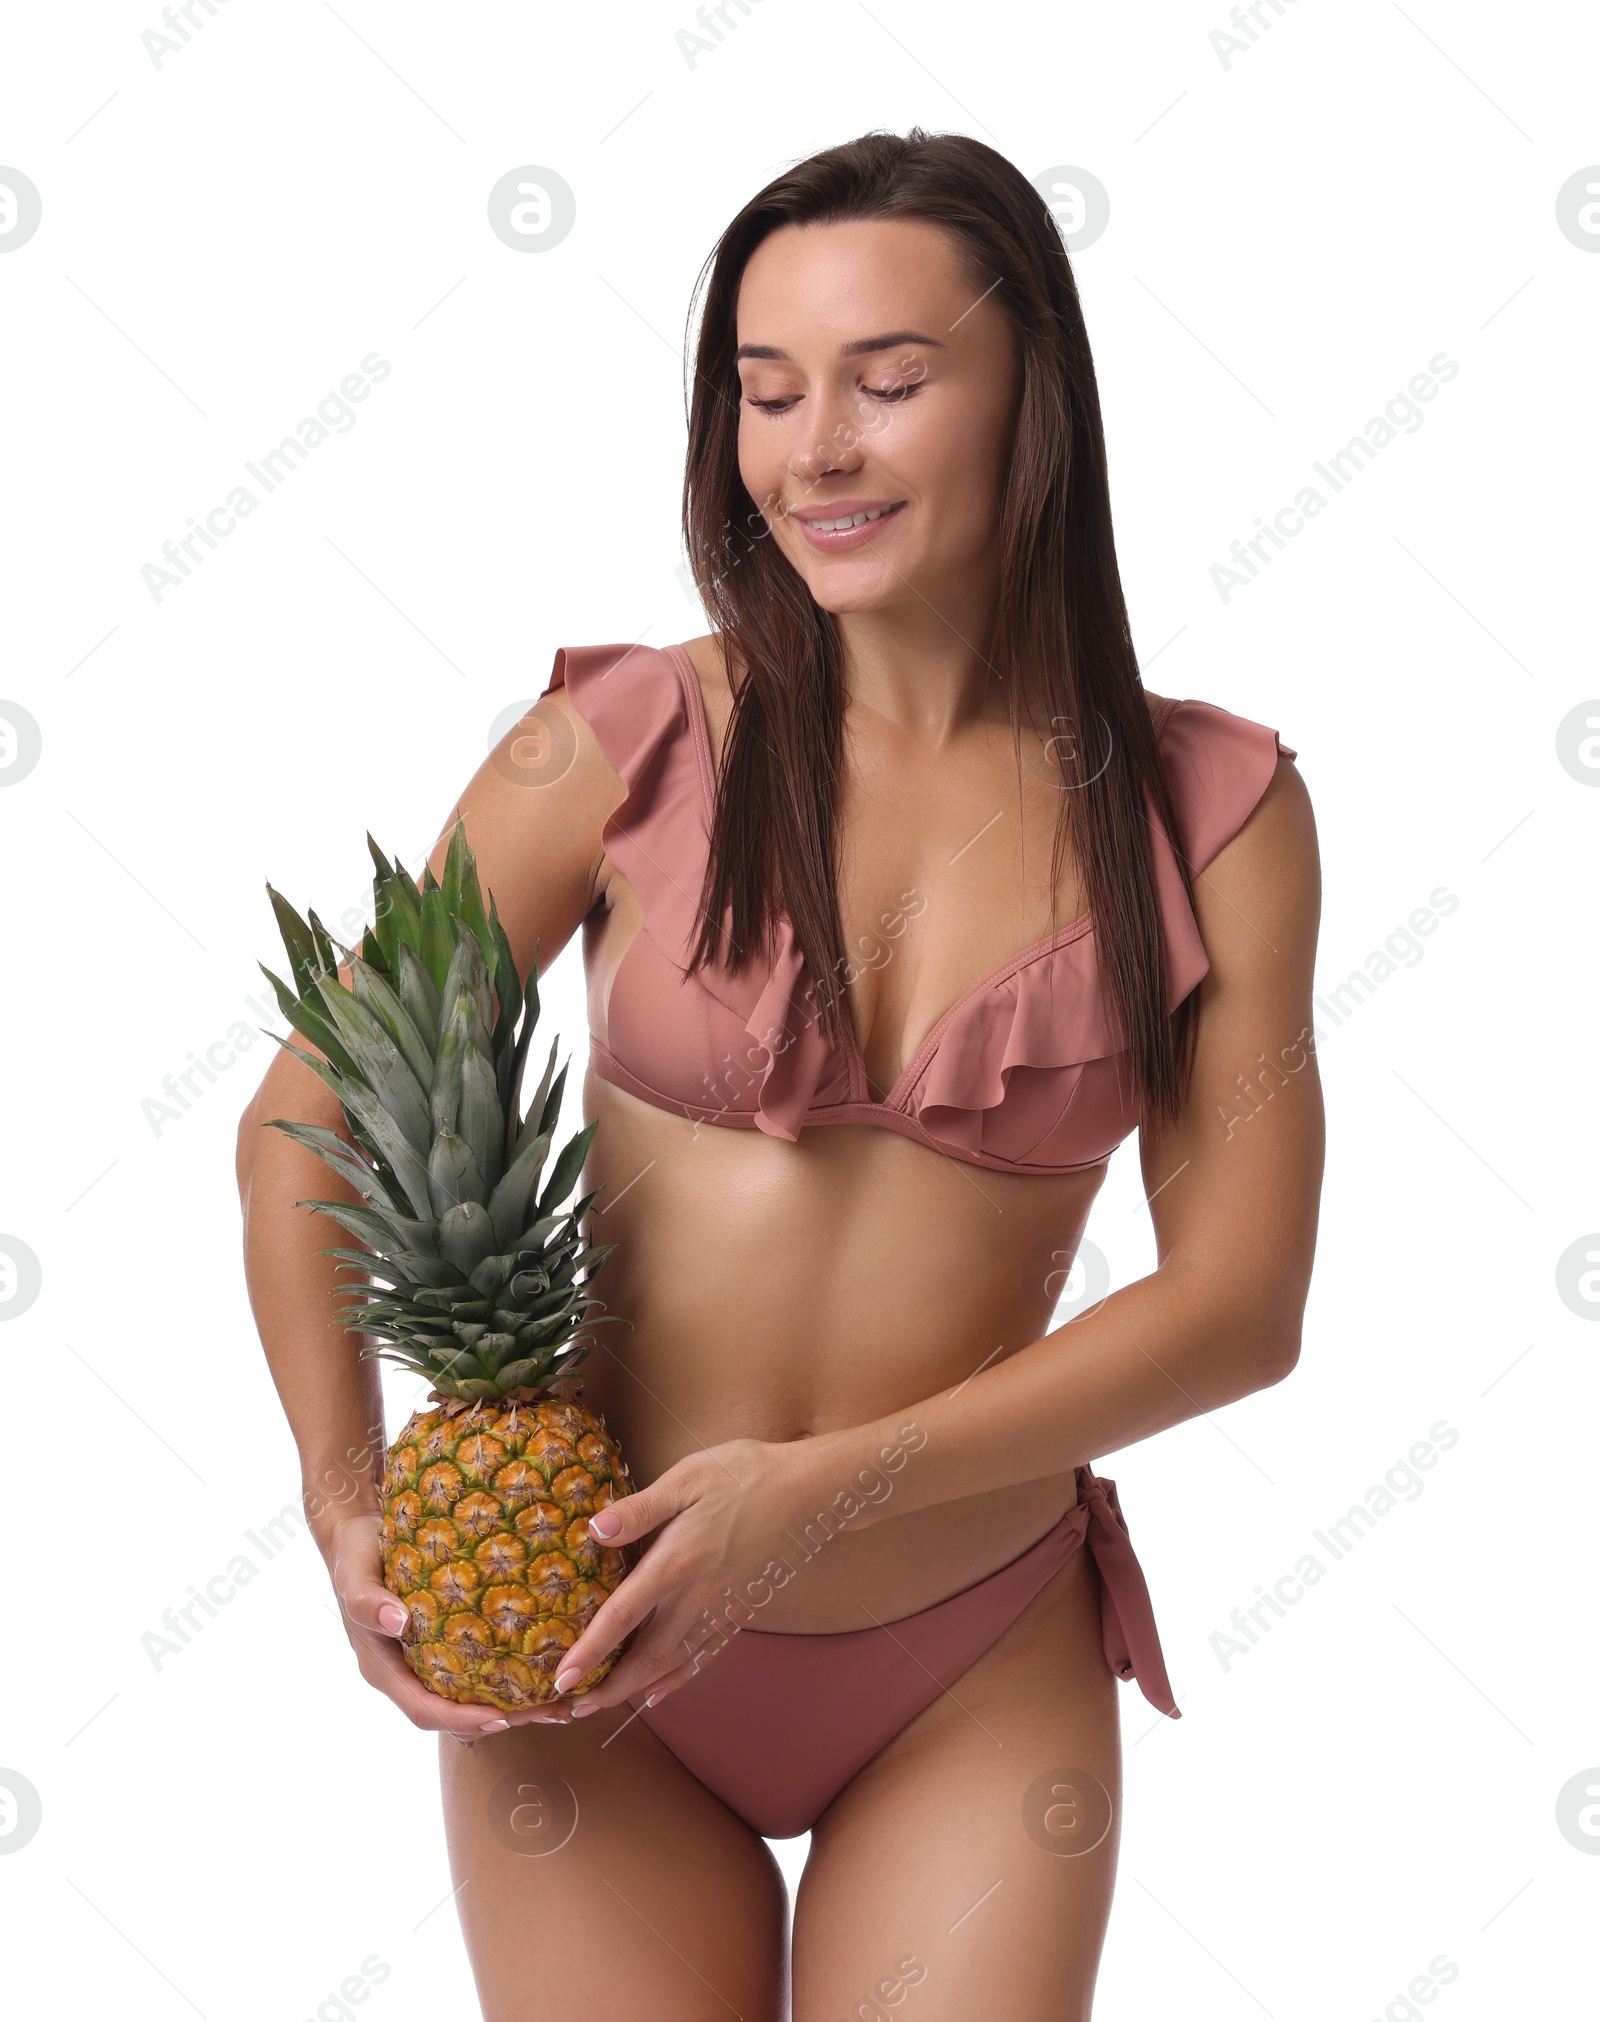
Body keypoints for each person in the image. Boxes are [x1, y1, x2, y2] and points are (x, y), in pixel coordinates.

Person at [237, 126, 1323, 2022]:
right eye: (765, 390)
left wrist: (817, 1489)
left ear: (1032, 401)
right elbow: (306, 1112)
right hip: (579, 1644)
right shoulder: (619, 743)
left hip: (970, 1658)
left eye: (888, 384)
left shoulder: (1214, 813)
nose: (813, 446)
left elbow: (1241, 1307)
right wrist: (345, 1502)